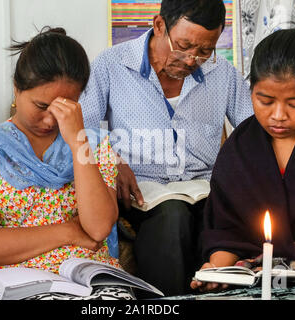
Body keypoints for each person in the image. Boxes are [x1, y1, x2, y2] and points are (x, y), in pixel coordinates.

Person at [79, 0, 253, 296]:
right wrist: (113, 159)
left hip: (205, 189)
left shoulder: (223, 73)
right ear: (159, 25)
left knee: (229, 213)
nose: (191, 59)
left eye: (204, 50)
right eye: (183, 45)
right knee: (173, 216)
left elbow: (253, 132)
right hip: (140, 192)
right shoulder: (112, 64)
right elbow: (81, 127)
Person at [0, 27, 134, 300]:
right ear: (17, 89)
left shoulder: (93, 145)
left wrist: (77, 142)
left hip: (87, 278)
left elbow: (97, 229)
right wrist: (68, 232)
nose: (50, 120)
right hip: (12, 278)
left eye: (64, 107)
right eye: (40, 106)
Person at [191, 22, 295, 292]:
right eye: (265, 100)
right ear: (252, 88)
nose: (278, 115)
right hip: (256, 273)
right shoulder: (239, 149)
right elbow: (225, 230)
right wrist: (219, 269)